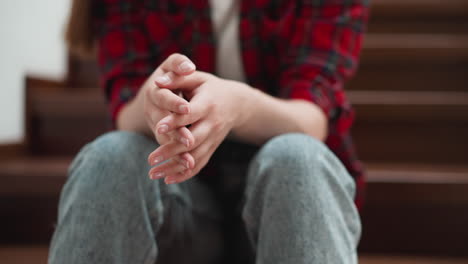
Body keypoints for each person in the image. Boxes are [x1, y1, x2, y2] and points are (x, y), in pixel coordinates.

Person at [49, 0, 369, 263]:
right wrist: (151, 101)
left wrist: (241, 107)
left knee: (298, 157)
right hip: (180, 207)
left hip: (286, 204)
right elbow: (125, 113)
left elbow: (312, 118)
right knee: (108, 157)